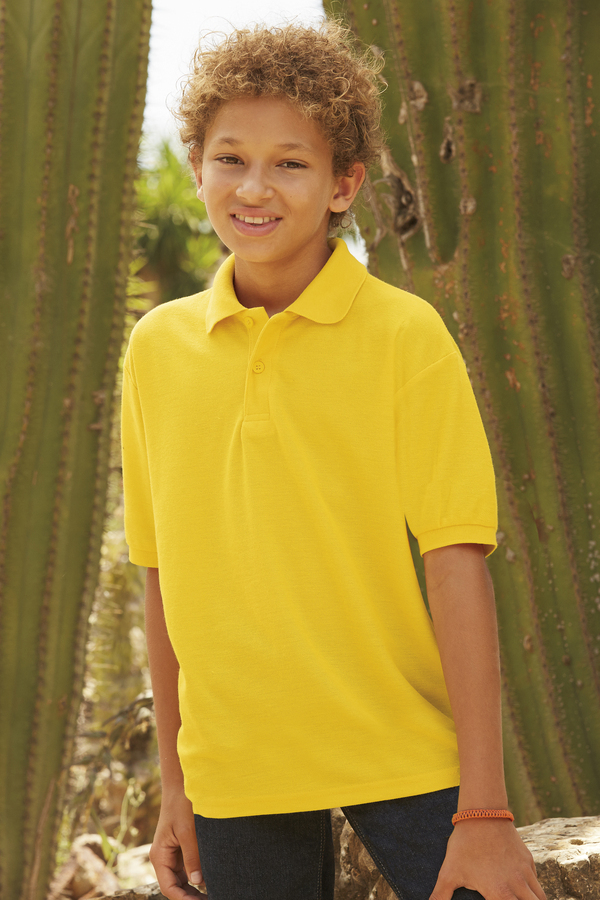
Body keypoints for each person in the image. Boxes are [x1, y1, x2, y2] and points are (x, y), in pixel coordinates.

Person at [121, 21, 546, 900]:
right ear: (196, 165)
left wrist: (485, 807)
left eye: (291, 163)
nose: (254, 188)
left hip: (403, 751)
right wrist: (175, 788)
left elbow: (456, 562)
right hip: (235, 772)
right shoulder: (156, 349)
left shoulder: (405, 336)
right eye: (230, 158)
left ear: (344, 184)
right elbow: (163, 577)